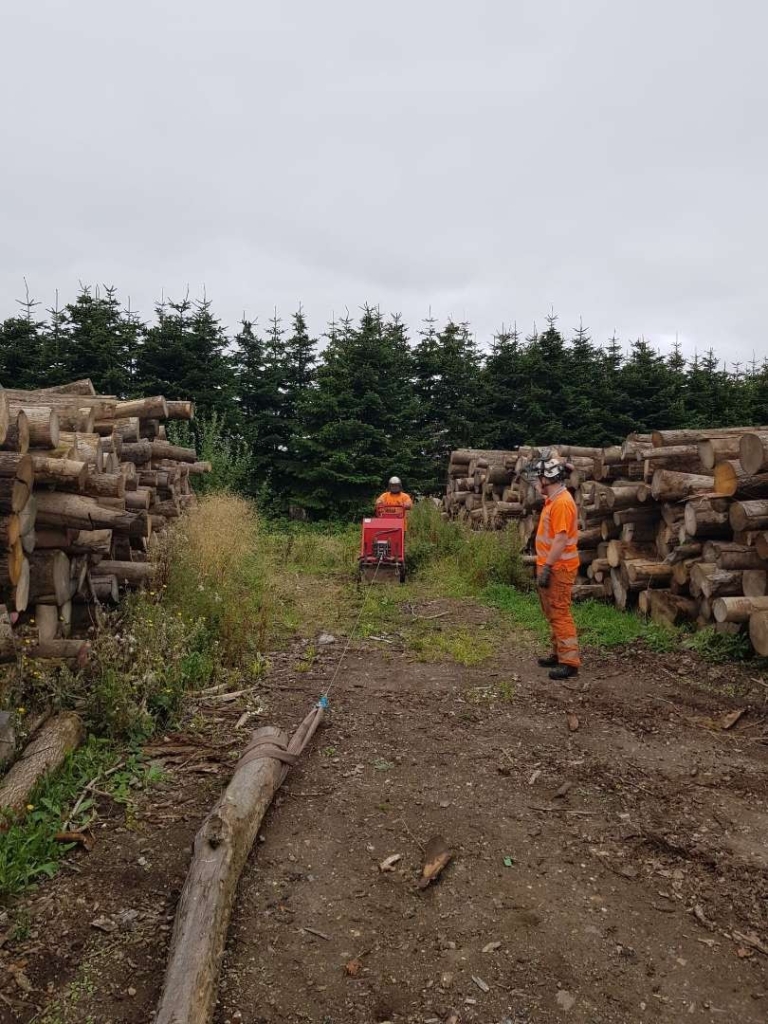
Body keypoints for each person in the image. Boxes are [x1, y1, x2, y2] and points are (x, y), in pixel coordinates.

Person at [533, 452, 581, 679]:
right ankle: (558, 652)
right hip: (550, 565)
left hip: (558, 567)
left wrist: (548, 567)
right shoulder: (553, 500)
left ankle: (569, 661)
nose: (536, 481)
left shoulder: (562, 503)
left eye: (539, 477)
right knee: (551, 612)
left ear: (548, 478)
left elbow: (561, 539)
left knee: (560, 612)